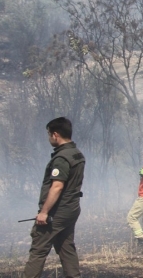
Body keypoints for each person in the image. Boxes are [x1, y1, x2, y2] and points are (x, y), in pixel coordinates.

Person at [24, 117, 85, 278]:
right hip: (71, 208)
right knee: (66, 248)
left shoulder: (62, 158)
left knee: (38, 250)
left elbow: (57, 186)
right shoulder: (76, 154)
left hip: (56, 212)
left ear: (55, 135)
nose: (49, 137)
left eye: (49, 134)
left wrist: (44, 212)